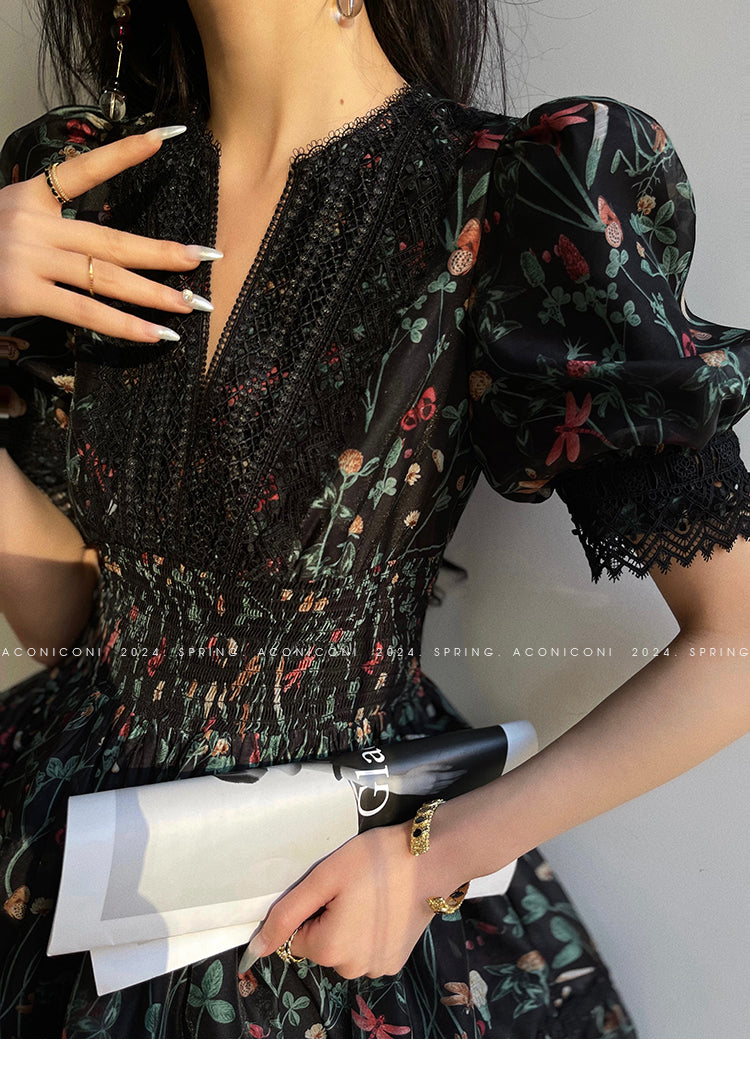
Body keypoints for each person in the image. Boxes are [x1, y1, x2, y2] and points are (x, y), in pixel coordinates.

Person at [0, 0, 748, 1040]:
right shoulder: (81, 190)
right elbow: (72, 622)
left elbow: (736, 640)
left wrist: (434, 854)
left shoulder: (514, 196)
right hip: (59, 840)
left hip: (337, 885)